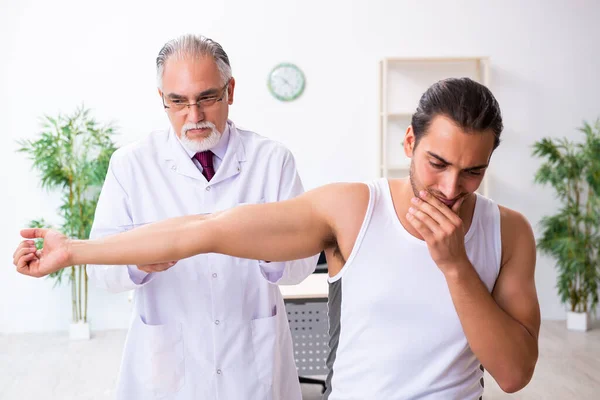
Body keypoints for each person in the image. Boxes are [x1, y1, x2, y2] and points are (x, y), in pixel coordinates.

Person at [14, 77, 540, 399]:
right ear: (409, 141)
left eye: (472, 172)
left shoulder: (508, 231)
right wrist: (75, 251)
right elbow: (205, 231)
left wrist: (454, 266)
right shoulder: (354, 208)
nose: (451, 189)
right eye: (437, 163)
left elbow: (514, 374)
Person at [34, 34, 318, 400]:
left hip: (252, 364)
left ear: (230, 91)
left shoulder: (272, 160)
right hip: (166, 367)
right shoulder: (131, 165)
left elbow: (302, 266)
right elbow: (102, 273)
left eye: (207, 98)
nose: (194, 116)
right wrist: (137, 262)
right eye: (178, 102)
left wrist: (265, 246)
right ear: (162, 100)